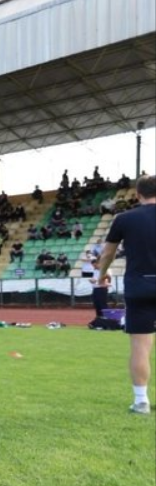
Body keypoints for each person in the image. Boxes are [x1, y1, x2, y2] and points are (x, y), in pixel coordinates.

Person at [95, 174, 155, 415]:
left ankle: (141, 401)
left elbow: (108, 253)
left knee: (140, 347)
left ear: (138, 194)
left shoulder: (124, 218)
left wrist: (101, 276)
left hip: (138, 286)